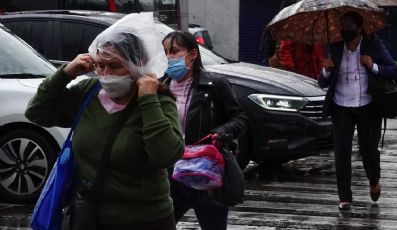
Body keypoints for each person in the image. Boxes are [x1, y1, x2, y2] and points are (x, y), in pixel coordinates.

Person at [25, 13, 184, 229]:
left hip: (147, 220)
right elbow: (36, 112)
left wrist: (147, 100)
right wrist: (65, 74)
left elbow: (167, 155)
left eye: (114, 66)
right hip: (89, 217)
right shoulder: (88, 93)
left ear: (138, 65)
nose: (106, 74)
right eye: (100, 65)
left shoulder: (158, 101)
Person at [160, 31, 248, 230]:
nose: (169, 57)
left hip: (206, 172)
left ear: (192, 54)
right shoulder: (159, 86)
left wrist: (222, 132)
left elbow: (240, 118)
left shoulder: (214, 85)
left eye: (174, 51)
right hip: (170, 174)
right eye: (165, 52)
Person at [317, 11, 397, 210]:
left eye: (349, 27)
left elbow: (393, 69)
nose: (345, 30)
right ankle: (344, 197)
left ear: (360, 29)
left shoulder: (373, 45)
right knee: (341, 151)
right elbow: (322, 82)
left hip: (368, 106)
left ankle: (374, 180)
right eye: (342, 26)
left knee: (368, 149)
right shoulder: (334, 47)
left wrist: (373, 66)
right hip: (341, 106)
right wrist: (326, 70)